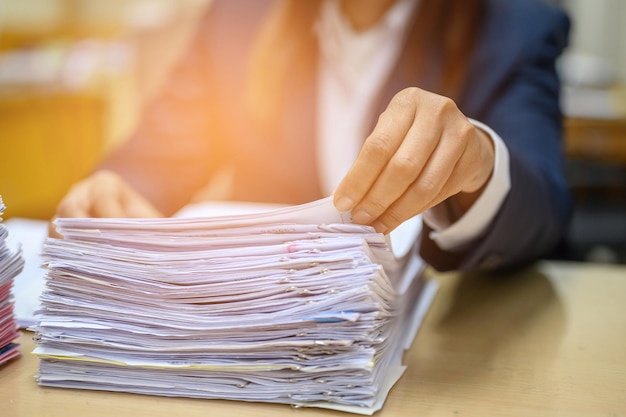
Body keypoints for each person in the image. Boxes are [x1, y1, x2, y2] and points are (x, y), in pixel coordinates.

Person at [52, 0, 572, 272]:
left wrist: (479, 163)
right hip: (255, 357)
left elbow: (542, 209)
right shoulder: (239, 15)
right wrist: (114, 192)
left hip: (440, 361)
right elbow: (154, 158)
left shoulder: (514, 23)